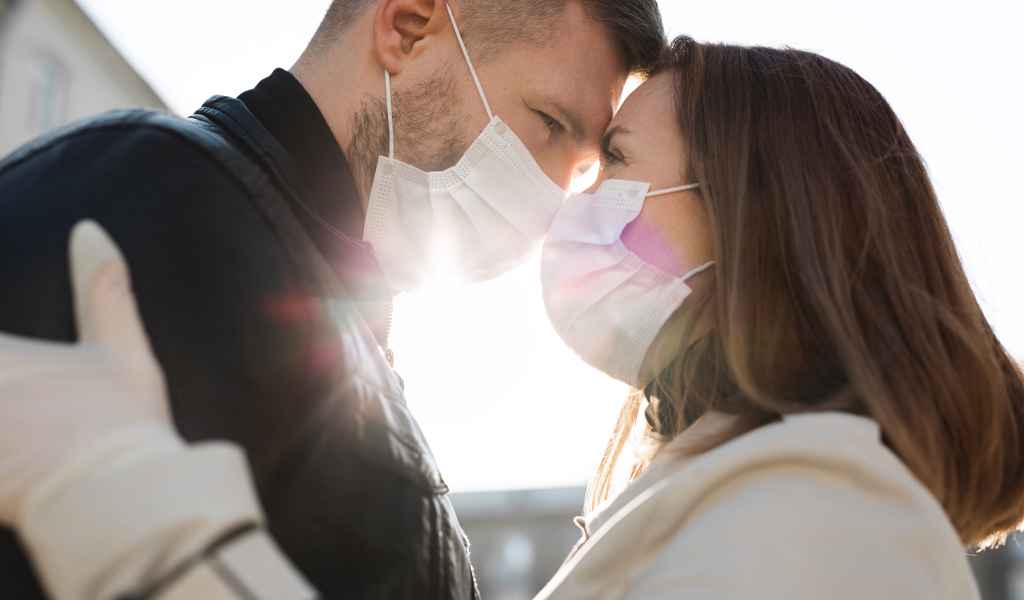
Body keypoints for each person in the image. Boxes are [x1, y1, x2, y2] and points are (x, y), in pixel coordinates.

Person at [4, 35, 1023, 600]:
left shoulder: (827, 528)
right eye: (557, 135)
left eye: (606, 162)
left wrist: (138, 517)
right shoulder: (160, 195)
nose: (556, 205)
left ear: (756, 218)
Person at [0, 0, 665, 599]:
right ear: (406, 29)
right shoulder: (149, 206)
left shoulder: (338, 310)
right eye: (549, 123)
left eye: (580, 176)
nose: (554, 205)